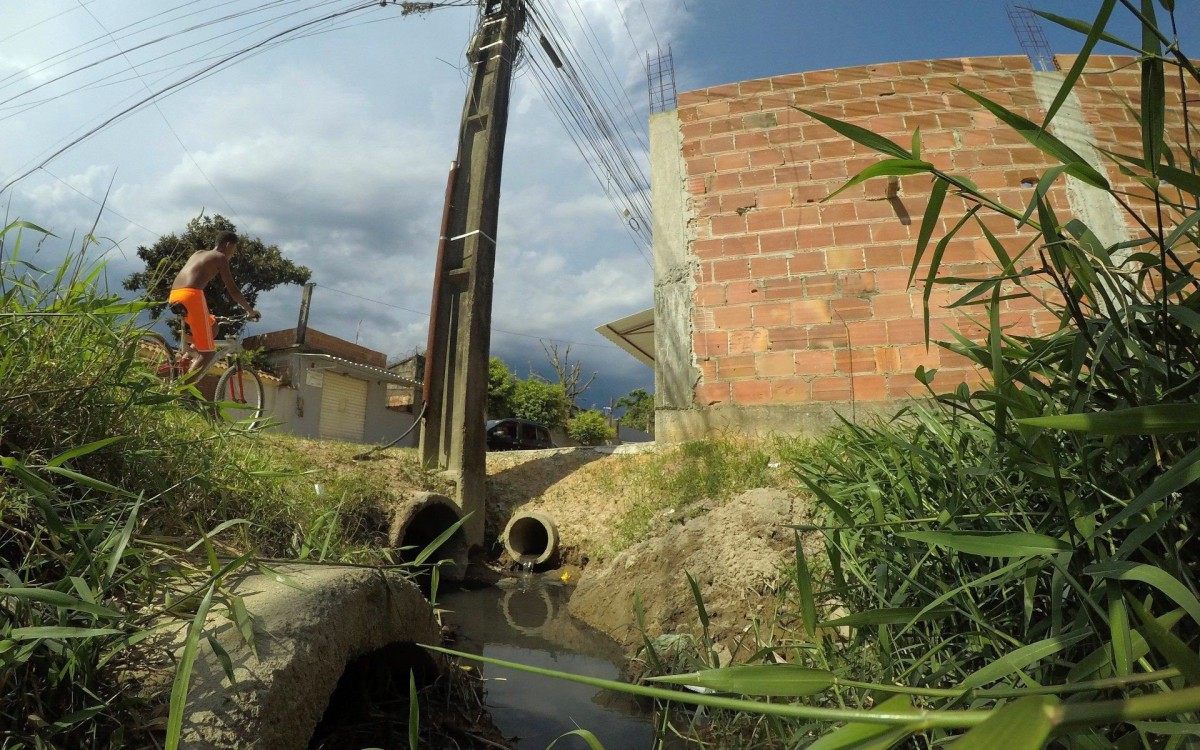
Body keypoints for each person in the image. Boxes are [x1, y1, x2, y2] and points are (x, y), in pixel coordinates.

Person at [167, 230, 260, 381]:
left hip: (174, 295)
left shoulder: (198, 253)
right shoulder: (220, 257)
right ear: (228, 245)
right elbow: (233, 290)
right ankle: (180, 392)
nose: (232, 254)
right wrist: (250, 311)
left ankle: (185, 359)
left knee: (213, 325)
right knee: (208, 353)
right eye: (233, 250)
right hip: (192, 296)